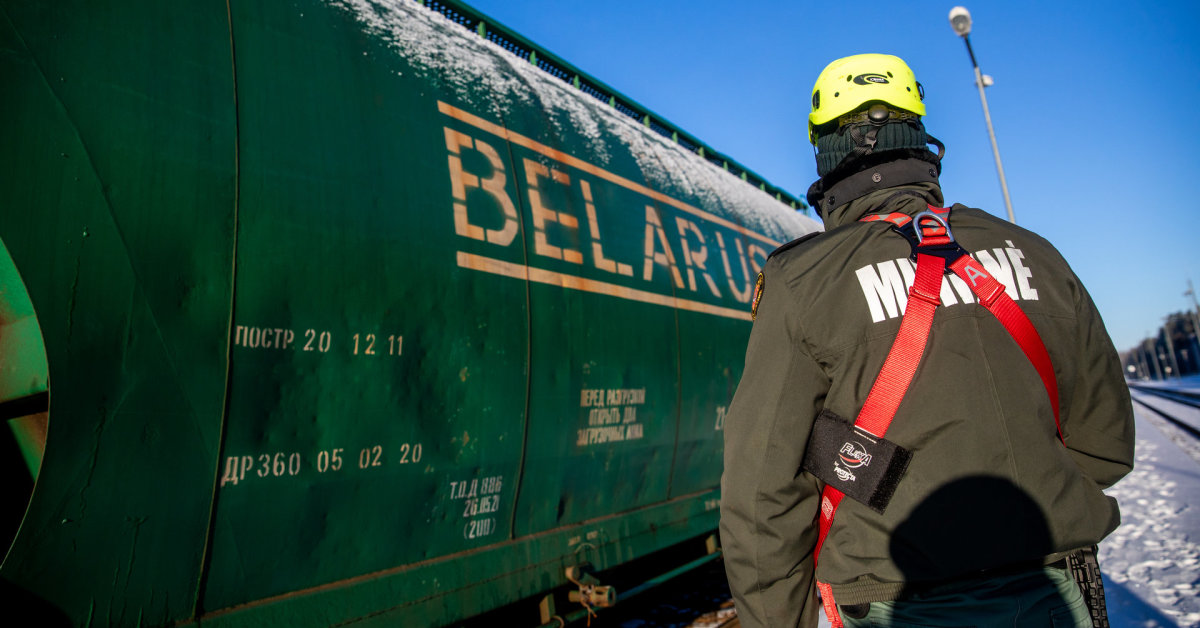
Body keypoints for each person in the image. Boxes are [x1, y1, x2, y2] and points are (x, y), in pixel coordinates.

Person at [719, 53, 1135, 628]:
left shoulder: (802, 282)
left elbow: (763, 495)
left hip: (899, 604)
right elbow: (1105, 445)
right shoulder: (1034, 252)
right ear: (919, 135)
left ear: (826, 153)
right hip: (1055, 593)